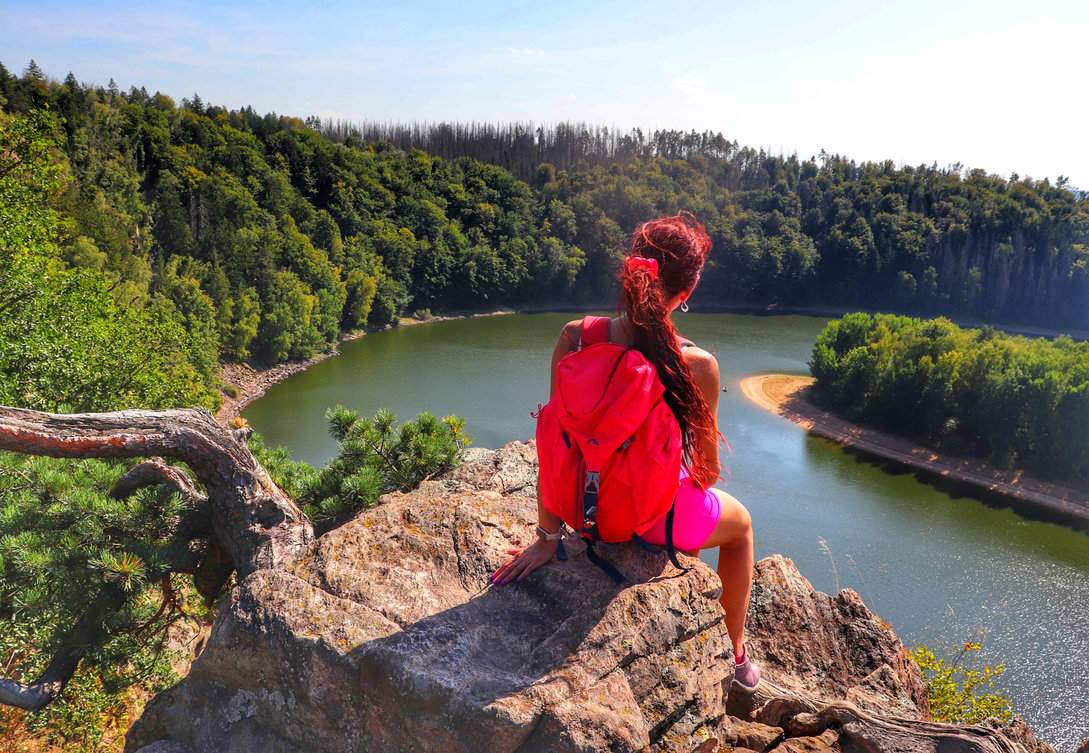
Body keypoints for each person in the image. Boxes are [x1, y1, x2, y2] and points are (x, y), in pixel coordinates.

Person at [490, 211, 761, 693]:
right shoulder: (696, 364)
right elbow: (706, 470)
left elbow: (557, 443)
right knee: (740, 528)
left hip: (577, 509)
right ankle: (734, 654)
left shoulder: (575, 337)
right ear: (690, 289)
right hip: (644, 519)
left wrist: (548, 538)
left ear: (631, 271)